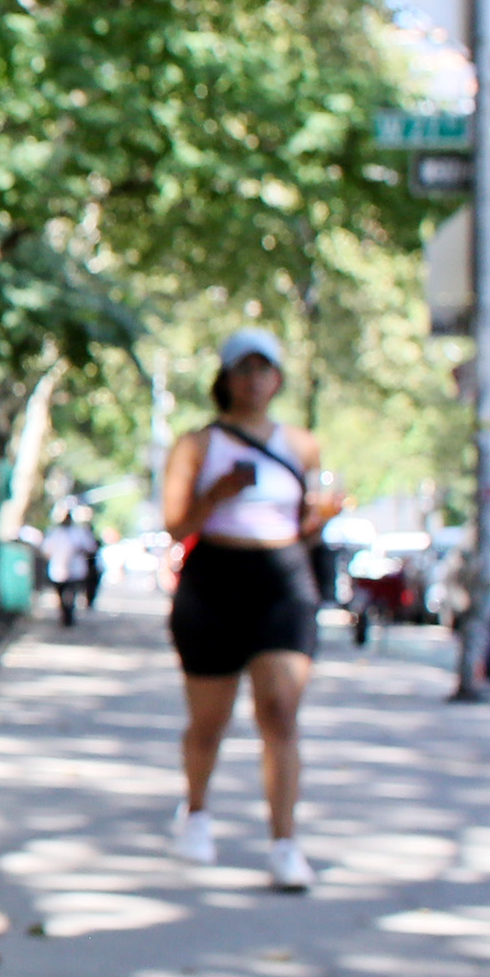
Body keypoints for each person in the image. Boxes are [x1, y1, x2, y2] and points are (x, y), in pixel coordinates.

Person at [158, 328, 343, 891]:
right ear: (226, 378)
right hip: (214, 575)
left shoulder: (303, 444)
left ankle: (285, 843)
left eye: (264, 370)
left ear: (278, 379)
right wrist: (217, 495)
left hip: (281, 578)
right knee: (210, 720)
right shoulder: (198, 444)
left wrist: (324, 516)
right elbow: (175, 523)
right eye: (244, 369)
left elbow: (305, 525)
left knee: (280, 711)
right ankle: (195, 812)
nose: (254, 380)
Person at [42, 501, 103, 625]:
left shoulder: (79, 532)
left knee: (71, 593)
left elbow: (90, 547)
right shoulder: (55, 532)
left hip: (75, 570)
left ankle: (69, 615)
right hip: (58, 570)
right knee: (61, 594)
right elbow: (47, 549)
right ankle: (64, 614)